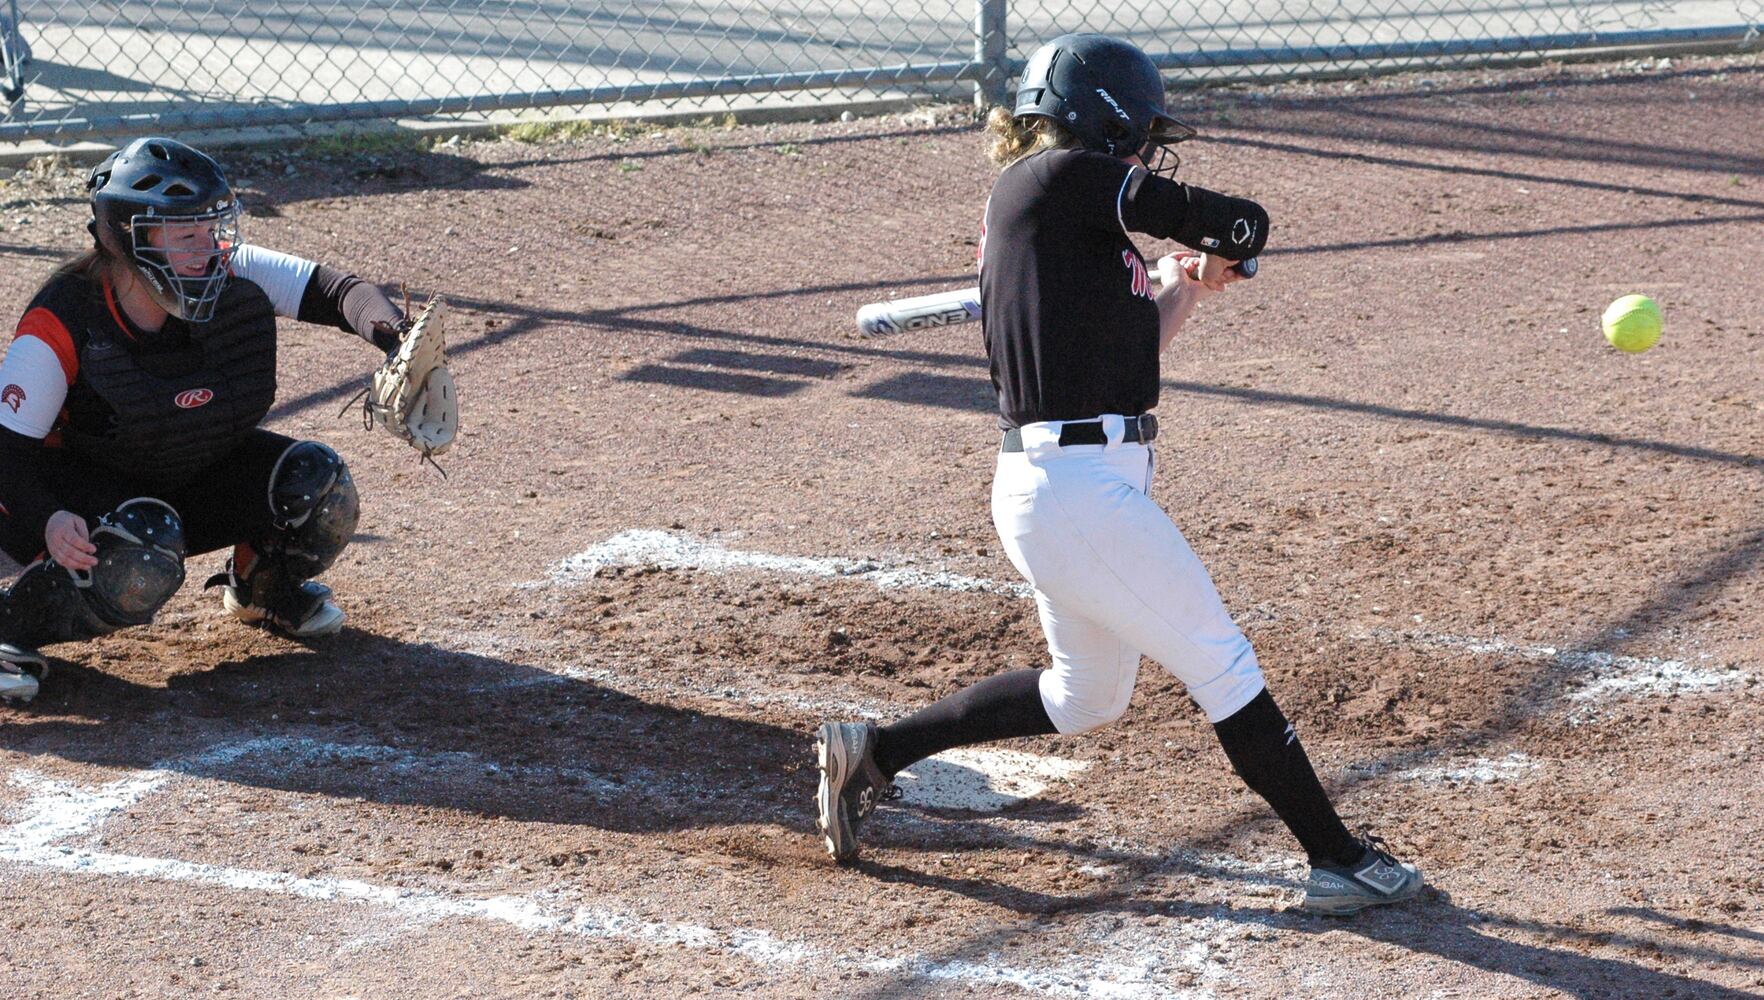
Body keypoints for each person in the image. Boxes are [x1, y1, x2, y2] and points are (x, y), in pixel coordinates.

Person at [814, 34, 1426, 915]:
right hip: (1074, 490)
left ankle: (872, 751)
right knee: (1222, 663)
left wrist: (1188, 286)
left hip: (1084, 483)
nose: (1146, 147)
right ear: (1102, 123)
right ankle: (1338, 858)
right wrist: (1229, 242)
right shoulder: (1055, 178)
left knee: (1086, 695)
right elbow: (1236, 216)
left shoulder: (1066, 229)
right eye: (1138, 133)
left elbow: (1127, 361)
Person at [0, 137, 413, 704]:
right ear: (128, 237)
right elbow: (7, 453)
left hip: (175, 472)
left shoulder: (225, 271)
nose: (207, 245)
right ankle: (8, 626)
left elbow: (337, 291)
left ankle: (263, 589)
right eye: (184, 232)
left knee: (316, 484)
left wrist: (398, 341)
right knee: (140, 546)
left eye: (212, 227)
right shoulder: (64, 318)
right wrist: (47, 518)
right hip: (61, 498)